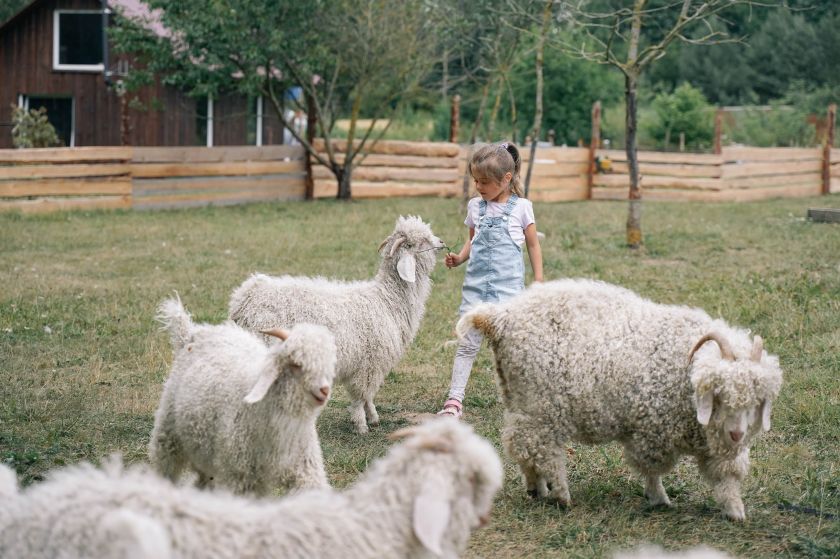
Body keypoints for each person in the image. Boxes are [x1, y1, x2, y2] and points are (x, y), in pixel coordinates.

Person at [437, 141, 544, 418]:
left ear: (506, 179)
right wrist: (460, 258)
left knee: (510, 348)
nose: (479, 187)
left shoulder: (521, 208)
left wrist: (539, 280)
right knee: (467, 343)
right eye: (476, 181)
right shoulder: (476, 207)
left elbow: (533, 245)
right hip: (475, 290)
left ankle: (521, 399)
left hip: (508, 293)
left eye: (484, 182)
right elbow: (472, 241)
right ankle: (454, 400)